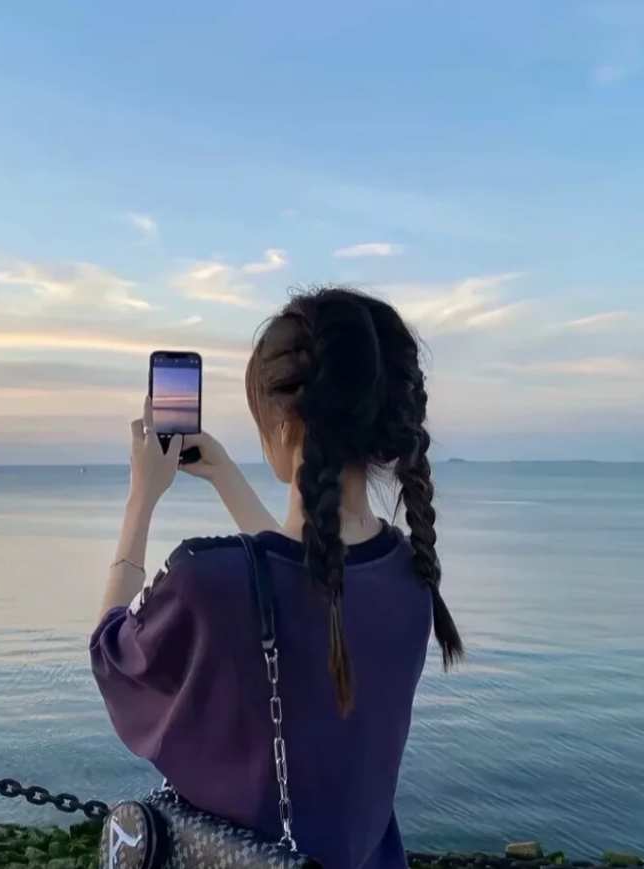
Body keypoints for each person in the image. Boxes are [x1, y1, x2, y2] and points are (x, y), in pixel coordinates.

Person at [90, 287, 463, 869]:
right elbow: (302, 575)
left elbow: (110, 657)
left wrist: (142, 499)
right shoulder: (413, 580)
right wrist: (225, 477)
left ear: (284, 424)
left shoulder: (204, 581)